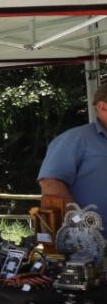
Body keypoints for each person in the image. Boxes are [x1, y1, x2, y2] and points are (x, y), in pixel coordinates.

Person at [39, 82, 107, 214]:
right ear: (102, 107)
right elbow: (50, 183)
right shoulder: (75, 139)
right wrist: (79, 224)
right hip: (90, 232)